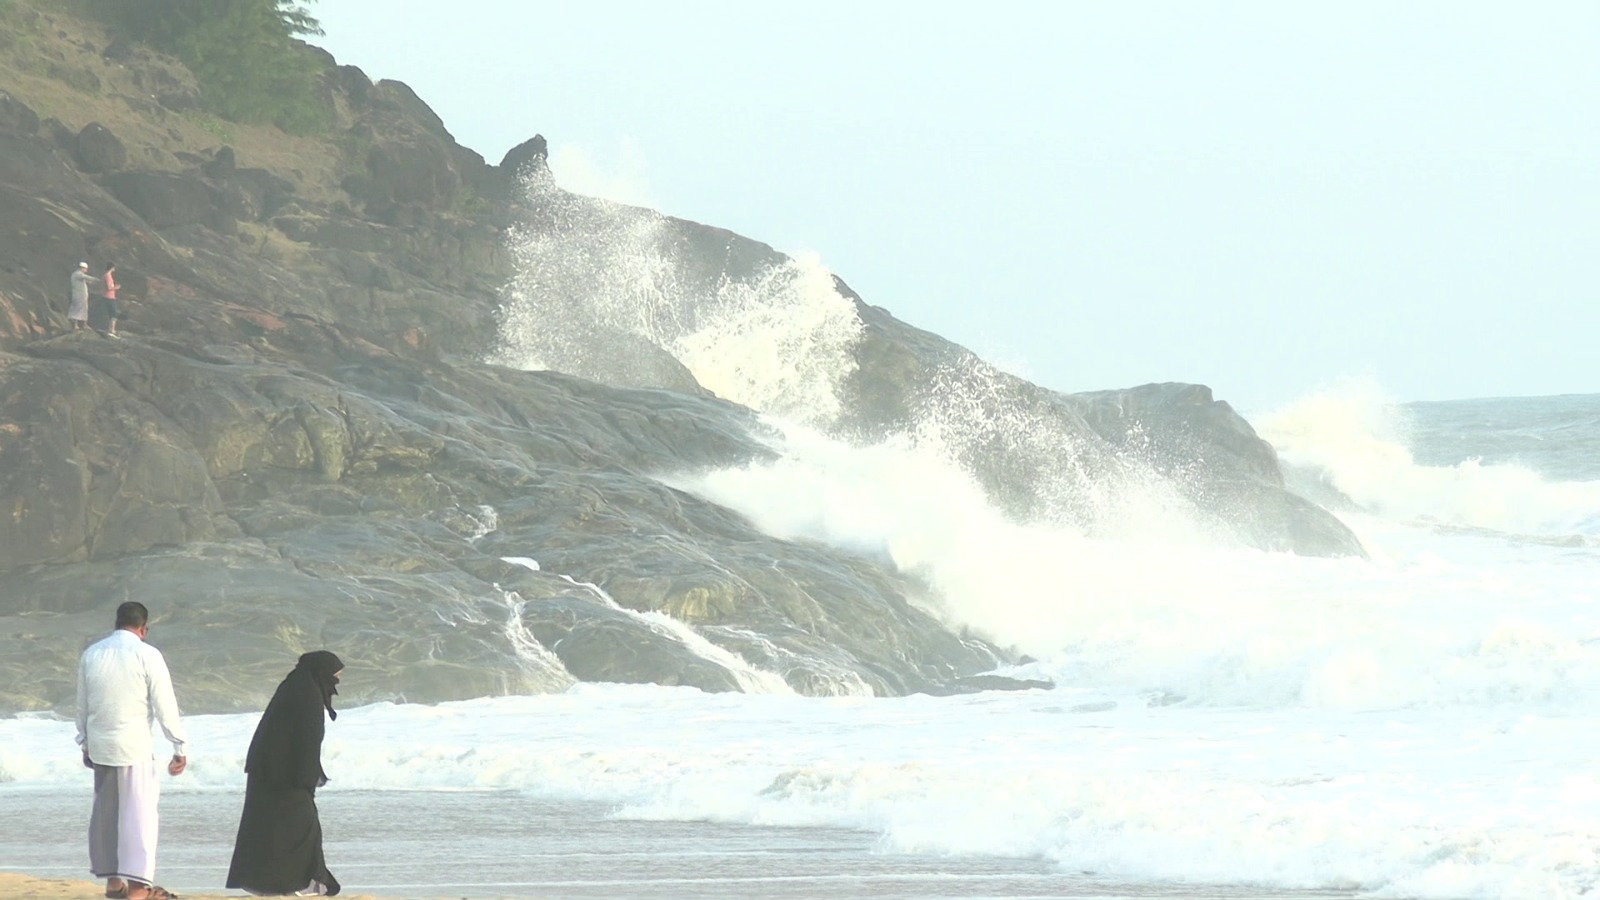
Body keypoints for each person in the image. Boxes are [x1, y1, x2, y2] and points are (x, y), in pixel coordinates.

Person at [75, 601, 189, 900]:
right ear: (144, 628)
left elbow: (82, 706)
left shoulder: (92, 653)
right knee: (139, 820)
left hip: (101, 746)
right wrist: (178, 746)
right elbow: (165, 705)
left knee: (107, 816)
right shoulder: (148, 654)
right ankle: (138, 890)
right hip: (134, 747)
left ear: (116, 623)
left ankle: (114, 885)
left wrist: (84, 742)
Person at [226, 651, 345, 897]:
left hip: (271, 772)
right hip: (286, 776)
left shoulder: (295, 688)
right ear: (321, 673)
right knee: (299, 829)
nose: (336, 684)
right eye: (334, 677)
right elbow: (305, 741)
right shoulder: (307, 696)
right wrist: (306, 780)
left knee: (277, 830)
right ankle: (297, 882)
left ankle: (288, 882)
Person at [97, 262, 123, 338]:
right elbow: (109, 288)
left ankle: (111, 329)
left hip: (106, 296)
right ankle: (111, 330)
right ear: (112, 268)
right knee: (114, 314)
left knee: (111, 313)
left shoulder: (104, 276)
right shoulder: (108, 276)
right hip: (109, 297)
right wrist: (116, 287)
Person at [68, 261, 95, 331]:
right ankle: (75, 325)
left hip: (82, 295)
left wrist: (89, 282)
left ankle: (84, 324)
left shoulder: (78, 275)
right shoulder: (77, 274)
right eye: (85, 269)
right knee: (77, 309)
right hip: (78, 295)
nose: (86, 270)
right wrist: (95, 279)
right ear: (82, 268)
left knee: (84, 309)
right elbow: (85, 277)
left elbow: (85, 280)